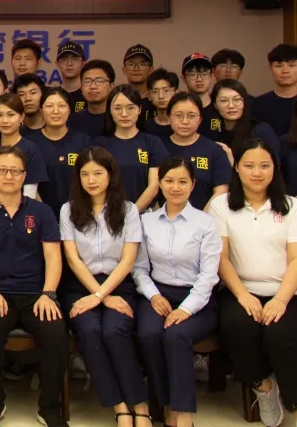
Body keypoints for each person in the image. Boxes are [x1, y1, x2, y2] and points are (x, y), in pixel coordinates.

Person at [209, 138, 297, 427]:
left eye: (264, 166)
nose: (257, 172)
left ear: (275, 168)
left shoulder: (293, 206)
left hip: (289, 292)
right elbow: (221, 258)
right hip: (238, 289)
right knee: (238, 326)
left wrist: (280, 300)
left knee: (280, 335)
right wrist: (243, 295)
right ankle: (264, 387)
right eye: (249, 165)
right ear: (237, 168)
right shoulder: (221, 206)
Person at [0, 146, 68, 427]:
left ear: (25, 175)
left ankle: (49, 407)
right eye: (2, 170)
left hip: (36, 294)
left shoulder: (42, 212)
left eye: (15, 171)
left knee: (55, 331)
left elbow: (53, 257)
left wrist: (48, 294)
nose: (8, 176)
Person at [59, 147, 148, 427]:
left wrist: (102, 295)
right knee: (89, 331)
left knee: (114, 330)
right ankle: (119, 406)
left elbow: (128, 259)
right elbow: (72, 259)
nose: (91, 180)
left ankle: (140, 405)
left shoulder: (128, 210)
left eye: (98, 173)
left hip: (118, 283)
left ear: (111, 175)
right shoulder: (68, 210)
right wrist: (99, 296)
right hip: (80, 285)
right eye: (85, 174)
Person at [133, 156, 221, 427]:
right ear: (159, 183)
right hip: (157, 293)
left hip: (197, 298)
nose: (175, 187)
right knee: (148, 334)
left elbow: (208, 276)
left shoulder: (206, 223)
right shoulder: (146, 221)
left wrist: (185, 309)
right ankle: (165, 402)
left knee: (176, 335)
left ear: (193, 185)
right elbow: (139, 269)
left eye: (182, 181)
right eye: (169, 180)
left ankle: (180, 416)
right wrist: (154, 295)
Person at [95, 85, 167, 211]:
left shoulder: (152, 143)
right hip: (108, 212)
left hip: (145, 213)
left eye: (130, 108)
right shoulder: (100, 144)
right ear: (110, 110)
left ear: (139, 109)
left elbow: (154, 186)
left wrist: (132, 214)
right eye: (117, 108)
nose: (124, 114)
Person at [161, 93, 232, 210]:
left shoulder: (214, 150)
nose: (185, 121)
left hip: (206, 217)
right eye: (178, 115)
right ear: (169, 117)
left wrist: (201, 218)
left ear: (200, 119)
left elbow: (221, 190)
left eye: (192, 116)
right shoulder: (158, 147)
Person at [31, 88, 92, 216]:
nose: (56, 111)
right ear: (41, 110)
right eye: (49, 106)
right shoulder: (31, 143)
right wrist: (44, 215)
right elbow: (29, 184)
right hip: (41, 214)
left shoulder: (83, 142)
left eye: (61, 106)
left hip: (79, 214)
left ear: (69, 110)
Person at [0, 94, 48, 200]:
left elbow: (30, 194)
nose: (4, 120)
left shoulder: (31, 150)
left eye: (10, 115)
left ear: (21, 117)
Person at [211, 80, 282, 164]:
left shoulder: (261, 130)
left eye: (237, 99)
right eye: (224, 101)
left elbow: (274, 166)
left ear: (244, 102)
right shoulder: (214, 133)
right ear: (215, 105)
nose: (231, 106)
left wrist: (233, 164)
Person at [253, 44, 297, 138]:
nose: (285, 71)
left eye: (291, 65)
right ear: (270, 69)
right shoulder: (257, 104)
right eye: (279, 66)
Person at [68, 60, 114, 139]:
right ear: (81, 88)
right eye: (87, 81)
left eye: (99, 81)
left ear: (111, 87)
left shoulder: (120, 118)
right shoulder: (72, 121)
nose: (93, 86)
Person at [142, 69, 179, 140]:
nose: (161, 96)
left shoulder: (184, 124)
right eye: (155, 91)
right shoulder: (146, 126)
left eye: (166, 90)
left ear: (176, 93)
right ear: (149, 96)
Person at [122, 45, 156, 121]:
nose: (136, 69)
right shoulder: (117, 100)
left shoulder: (158, 99)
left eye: (142, 64)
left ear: (151, 70)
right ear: (124, 70)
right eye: (131, 64)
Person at [13, 74, 45, 138]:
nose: (28, 98)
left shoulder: (54, 126)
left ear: (43, 94)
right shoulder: (13, 131)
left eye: (33, 93)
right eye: (21, 95)